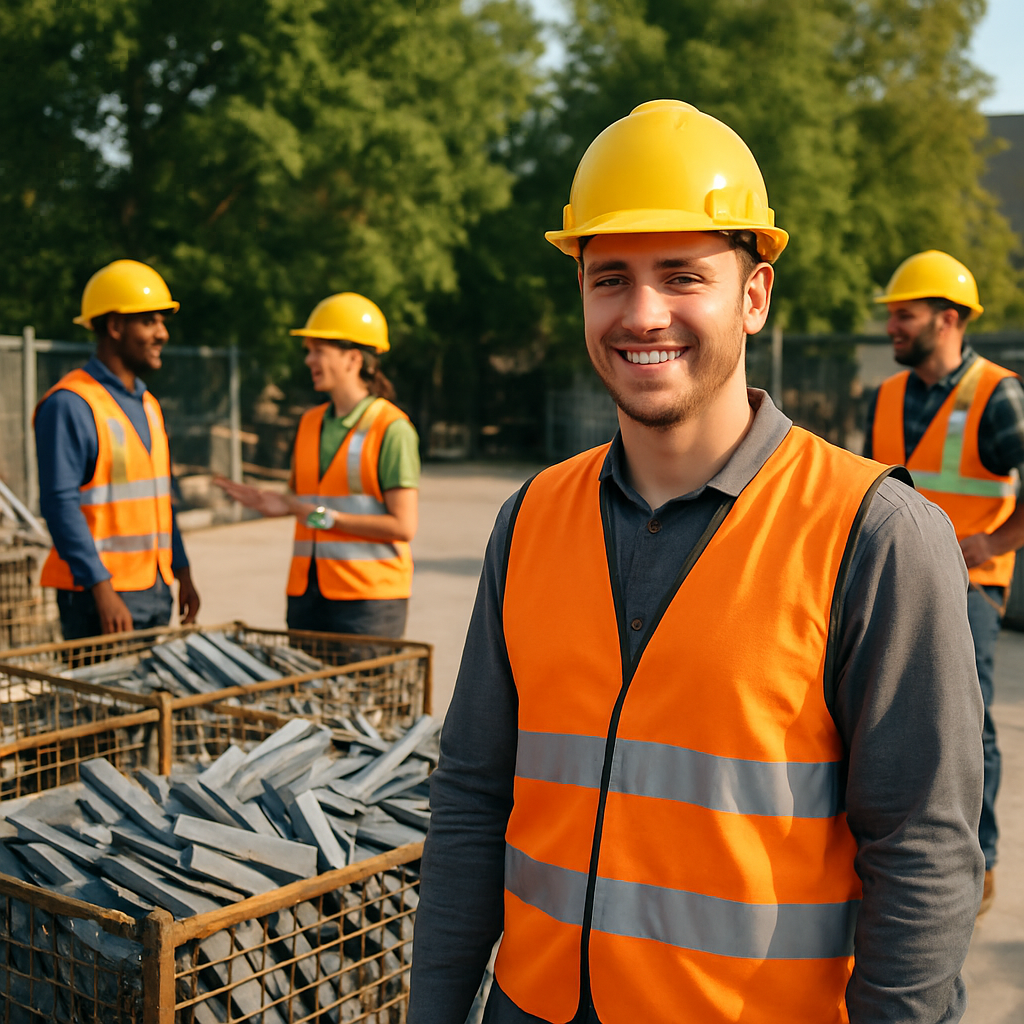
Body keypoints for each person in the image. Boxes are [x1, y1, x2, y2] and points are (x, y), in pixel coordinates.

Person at [410, 100, 984, 1023]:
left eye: (683, 276)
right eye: (610, 279)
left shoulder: (872, 534)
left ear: (754, 295)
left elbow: (923, 852)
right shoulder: (530, 521)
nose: (642, 315)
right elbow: (474, 794)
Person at [865, 249, 1024, 917]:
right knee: (886, 721)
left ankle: (976, 858)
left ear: (949, 318)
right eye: (893, 317)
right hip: (896, 580)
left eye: (905, 315)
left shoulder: (999, 392)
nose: (893, 328)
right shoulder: (887, 396)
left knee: (968, 721)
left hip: (972, 585)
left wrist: (996, 540)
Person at [216, 292, 419, 638]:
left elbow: (402, 526)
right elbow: (305, 500)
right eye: (308, 351)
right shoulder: (309, 423)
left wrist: (325, 518)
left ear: (353, 358)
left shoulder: (392, 429)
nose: (309, 360)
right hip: (306, 596)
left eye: (318, 351)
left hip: (368, 602)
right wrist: (277, 503)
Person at [34, 259, 200, 639]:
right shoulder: (70, 403)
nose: (162, 334)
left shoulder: (148, 405)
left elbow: (161, 501)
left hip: (153, 591)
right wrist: (102, 590)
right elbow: (59, 505)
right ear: (114, 326)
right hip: (100, 603)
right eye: (149, 321)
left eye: (163, 322)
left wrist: (183, 570)